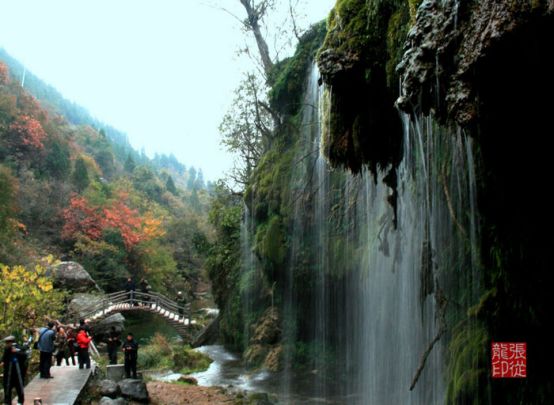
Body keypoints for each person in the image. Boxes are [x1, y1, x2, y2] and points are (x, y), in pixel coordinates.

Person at [1, 336, 27, 405]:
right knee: (7, 388)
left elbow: (25, 355)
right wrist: (2, 362)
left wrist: (17, 352)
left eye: (7, 343)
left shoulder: (18, 348)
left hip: (18, 373)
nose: (6, 344)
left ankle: (20, 401)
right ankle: (7, 402)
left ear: (12, 342)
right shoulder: (7, 349)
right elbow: (4, 358)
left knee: (19, 387)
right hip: (8, 373)